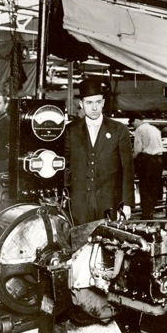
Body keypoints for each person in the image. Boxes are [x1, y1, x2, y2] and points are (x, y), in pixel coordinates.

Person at [64, 78, 135, 225]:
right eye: (89, 103)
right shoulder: (70, 130)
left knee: (109, 245)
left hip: (109, 203)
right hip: (79, 205)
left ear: (103, 102)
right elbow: (65, 165)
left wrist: (127, 203)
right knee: (79, 244)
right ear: (81, 104)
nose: (94, 107)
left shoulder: (119, 130)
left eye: (98, 102)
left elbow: (127, 168)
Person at [131, 116, 163, 219]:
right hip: (158, 160)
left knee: (145, 188)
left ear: (136, 120)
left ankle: (146, 215)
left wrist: (132, 156)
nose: (133, 126)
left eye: (132, 124)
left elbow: (137, 149)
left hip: (146, 160)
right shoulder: (155, 129)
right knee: (154, 187)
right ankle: (153, 210)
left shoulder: (139, 129)